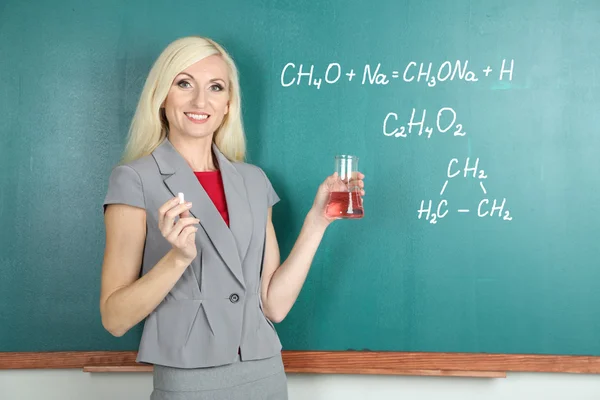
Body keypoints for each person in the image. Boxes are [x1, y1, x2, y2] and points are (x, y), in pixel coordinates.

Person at [99, 36, 365, 400]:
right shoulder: (134, 179)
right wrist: (177, 259)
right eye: (184, 83)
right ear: (162, 97)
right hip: (189, 380)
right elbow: (114, 319)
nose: (199, 101)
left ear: (228, 104)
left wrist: (317, 221)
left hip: (265, 374)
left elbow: (274, 305)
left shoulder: (254, 181)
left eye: (215, 87)